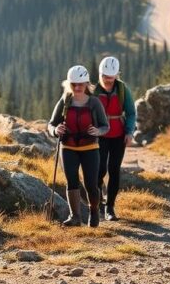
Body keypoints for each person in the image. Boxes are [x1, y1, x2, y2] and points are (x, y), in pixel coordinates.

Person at [48, 65, 110, 227]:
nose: (77, 88)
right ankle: (75, 217)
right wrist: (56, 130)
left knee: (91, 184)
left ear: (86, 84)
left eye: (80, 84)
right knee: (72, 181)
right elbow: (51, 124)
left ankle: (94, 211)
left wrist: (98, 131)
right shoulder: (65, 101)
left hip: (90, 148)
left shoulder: (94, 103)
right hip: (68, 148)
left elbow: (105, 126)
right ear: (69, 84)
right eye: (73, 84)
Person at [95, 56, 136, 221]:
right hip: (99, 136)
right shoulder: (93, 90)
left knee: (114, 170)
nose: (107, 80)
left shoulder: (123, 89)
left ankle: (109, 208)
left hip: (118, 136)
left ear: (117, 75)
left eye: (111, 78)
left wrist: (129, 132)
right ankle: (97, 204)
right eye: (105, 76)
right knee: (99, 170)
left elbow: (131, 113)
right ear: (100, 74)